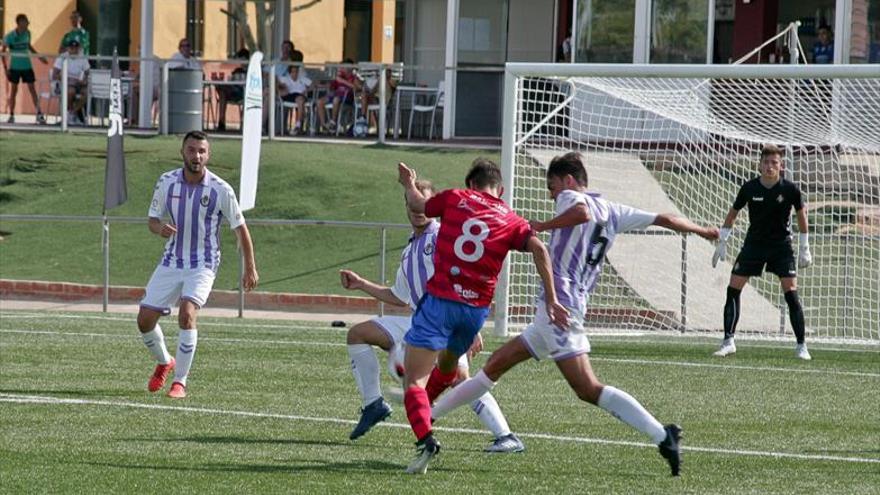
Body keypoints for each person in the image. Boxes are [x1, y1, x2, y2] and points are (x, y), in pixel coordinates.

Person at [430, 152, 719, 477]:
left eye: (551, 187)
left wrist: (542, 225)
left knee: (587, 388)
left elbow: (580, 210)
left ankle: (662, 435)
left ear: (568, 181)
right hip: (558, 310)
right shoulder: (613, 210)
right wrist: (703, 230)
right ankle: (428, 417)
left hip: (560, 308)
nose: (552, 195)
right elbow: (665, 219)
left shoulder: (572, 198)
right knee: (495, 364)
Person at [396, 158, 568, 474]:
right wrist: (552, 300)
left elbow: (419, 203)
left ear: (470, 184)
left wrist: (408, 183)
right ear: (500, 190)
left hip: (440, 303)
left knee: (413, 382)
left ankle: (425, 437)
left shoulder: (455, 197)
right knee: (447, 367)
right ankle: (427, 411)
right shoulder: (511, 218)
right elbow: (540, 250)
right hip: (475, 313)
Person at [340, 179, 525, 453]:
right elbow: (399, 296)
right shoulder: (408, 251)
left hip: (446, 321)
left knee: (459, 376)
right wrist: (361, 284)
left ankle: (505, 434)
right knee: (358, 334)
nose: (417, 210)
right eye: (412, 205)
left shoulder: (443, 234)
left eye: (423, 204)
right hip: (417, 320)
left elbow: (471, 270)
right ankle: (373, 405)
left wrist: (471, 328)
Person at [136, 130, 259, 399]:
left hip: (203, 263)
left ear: (208, 155)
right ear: (183, 152)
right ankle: (165, 361)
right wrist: (160, 230)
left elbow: (240, 228)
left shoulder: (220, 189)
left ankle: (180, 382)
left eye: (202, 151)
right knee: (144, 320)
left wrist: (250, 266)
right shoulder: (167, 182)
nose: (197, 156)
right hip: (171, 260)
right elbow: (152, 220)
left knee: (187, 313)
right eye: (192, 150)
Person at [712, 144, 813, 360]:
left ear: (780, 165)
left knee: (791, 293)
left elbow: (802, 218)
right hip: (754, 245)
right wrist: (723, 241)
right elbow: (733, 214)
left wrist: (805, 248)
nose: (769, 166)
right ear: (759, 164)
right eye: (766, 162)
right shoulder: (749, 188)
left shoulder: (790, 190)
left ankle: (801, 345)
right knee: (733, 288)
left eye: (774, 163)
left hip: (781, 247)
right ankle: (728, 340)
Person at [2, 14, 48, 124]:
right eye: (26, 22)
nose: (28, 24)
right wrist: (6, 68)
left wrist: (39, 57)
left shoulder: (28, 33)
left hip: (27, 66)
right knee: (14, 91)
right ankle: (11, 115)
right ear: (19, 23)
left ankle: (39, 114)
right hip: (15, 67)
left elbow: (29, 46)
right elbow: (2, 53)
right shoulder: (9, 37)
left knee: (32, 90)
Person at [52, 39, 90, 125]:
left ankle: (71, 113)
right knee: (70, 91)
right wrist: (66, 79)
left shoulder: (82, 58)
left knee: (87, 93)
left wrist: (84, 80)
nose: (74, 50)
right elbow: (55, 74)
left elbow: (88, 73)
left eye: (76, 48)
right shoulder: (62, 57)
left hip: (79, 83)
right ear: (67, 48)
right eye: (71, 48)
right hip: (66, 83)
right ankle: (70, 116)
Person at [316, 59, 359, 134]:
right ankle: (324, 125)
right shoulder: (339, 76)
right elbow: (331, 87)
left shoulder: (353, 77)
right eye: (341, 67)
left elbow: (355, 87)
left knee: (336, 100)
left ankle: (333, 122)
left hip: (347, 98)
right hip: (335, 95)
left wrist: (343, 81)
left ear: (350, 68)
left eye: (344, 67)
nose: (342, 69)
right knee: (320, 102)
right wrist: (324, 84)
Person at [275, 51, 312, 135]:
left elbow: (313, 83)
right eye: (293, 72)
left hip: (299, 95)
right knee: (282, 94)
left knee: (300, 100)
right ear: (290, 72)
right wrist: (281, 86)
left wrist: (307, 90)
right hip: (289, 95)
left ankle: (298, 125)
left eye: (296, 72)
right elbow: (276, 81)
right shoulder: (285, 78)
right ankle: (280, 128)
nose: (295, 74)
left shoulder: (301, 76)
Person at [216, 48, 249, 132]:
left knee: (223, 89)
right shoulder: (237, 71)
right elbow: (231, 80)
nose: (240, 62)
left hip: (244, 94)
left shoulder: (251, 71)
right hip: (234, 92)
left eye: (242, 60)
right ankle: (221, 121)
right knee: (222, 93)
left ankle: (243, 122)